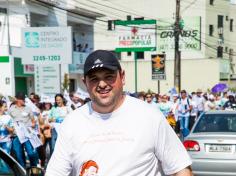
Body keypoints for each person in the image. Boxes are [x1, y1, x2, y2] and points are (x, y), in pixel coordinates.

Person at [46, 50, 192, 176]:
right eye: (94, 79)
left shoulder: (149, 116)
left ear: (122, 77)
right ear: (85, 83)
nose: (102, 84)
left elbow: (180, 168)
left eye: (109, 76)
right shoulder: (72, 123)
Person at [8, 92, 39, 168]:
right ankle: (23, 170)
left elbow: (33, 120)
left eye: (23, 99)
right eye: (22, 99)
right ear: (17, 100)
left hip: (27, 135)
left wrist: (33, 124)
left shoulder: (28, 109)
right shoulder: (11, 109)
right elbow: (8, 120)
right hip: (16, 135)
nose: (23, 100)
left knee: (31, 153)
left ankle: (33, 168)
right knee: (19, 154)